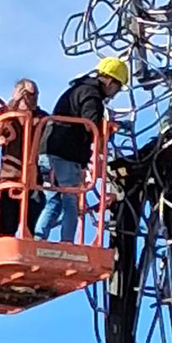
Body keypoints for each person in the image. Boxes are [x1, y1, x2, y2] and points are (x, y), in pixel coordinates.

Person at [34, 57, 128, 243]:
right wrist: (107, 129)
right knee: (71, 200)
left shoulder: (77, 89)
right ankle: (67, 242)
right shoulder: (91, 96)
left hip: (48, 151)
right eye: (118, 86)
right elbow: (90, 123)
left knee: (53, 200)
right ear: (109, 80)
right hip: (66, 154)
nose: (116, 93)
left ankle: (38, 238)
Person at [0, 78, 48, 237]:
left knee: (34, 214)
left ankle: (32, 244)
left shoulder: (43, 118)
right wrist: (13, 104)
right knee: (8, 221)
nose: (33, 98)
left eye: (35, 94)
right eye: (29, 94)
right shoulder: (5, 115)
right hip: (11, 177)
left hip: (34, 178)